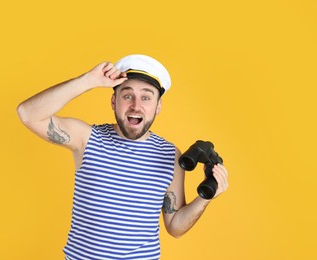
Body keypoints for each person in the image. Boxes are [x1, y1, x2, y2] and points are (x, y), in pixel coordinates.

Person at [17, 54, 229, 260]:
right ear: (113, 101)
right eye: (127, 95)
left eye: (146, 97)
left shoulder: (171, 156)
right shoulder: (87, 138)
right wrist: (88, 80)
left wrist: (204, 198)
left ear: (158, 107)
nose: (136, 106)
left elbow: (175, 227)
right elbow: (28, 114)